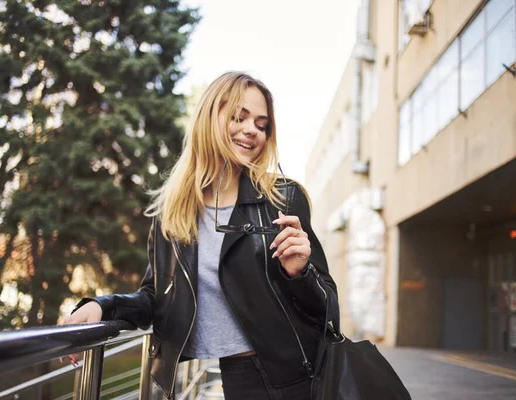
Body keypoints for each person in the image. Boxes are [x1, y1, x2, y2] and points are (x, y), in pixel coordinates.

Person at [62, 71, 339, 400]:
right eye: (239, 116)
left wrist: (300, 273)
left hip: (285, 381)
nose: (252, 130)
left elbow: (328, 311)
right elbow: (156, 295)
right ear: (210, 117)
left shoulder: (283, 198)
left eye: (262, 124)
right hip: (202, 380)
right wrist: (103, 307)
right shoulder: (173, 210)